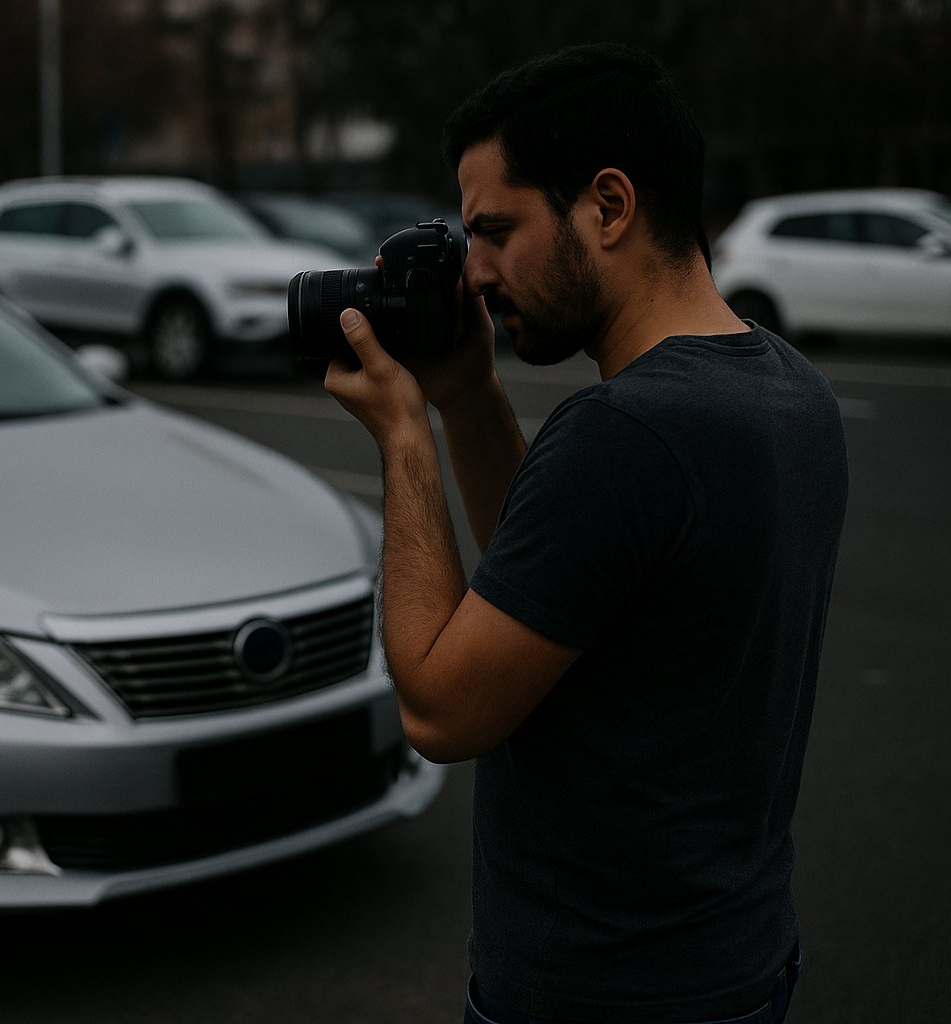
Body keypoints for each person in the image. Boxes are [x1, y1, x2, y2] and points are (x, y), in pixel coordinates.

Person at [323, 43, 848, 1024]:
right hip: (734, 960)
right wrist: (469, 397)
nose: (474, 274)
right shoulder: (787, 387)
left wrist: (403, 435)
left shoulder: (627, 431)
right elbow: (566, 584)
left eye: (496, 231)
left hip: (600, 992)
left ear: (608, 206)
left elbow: (442, 711)